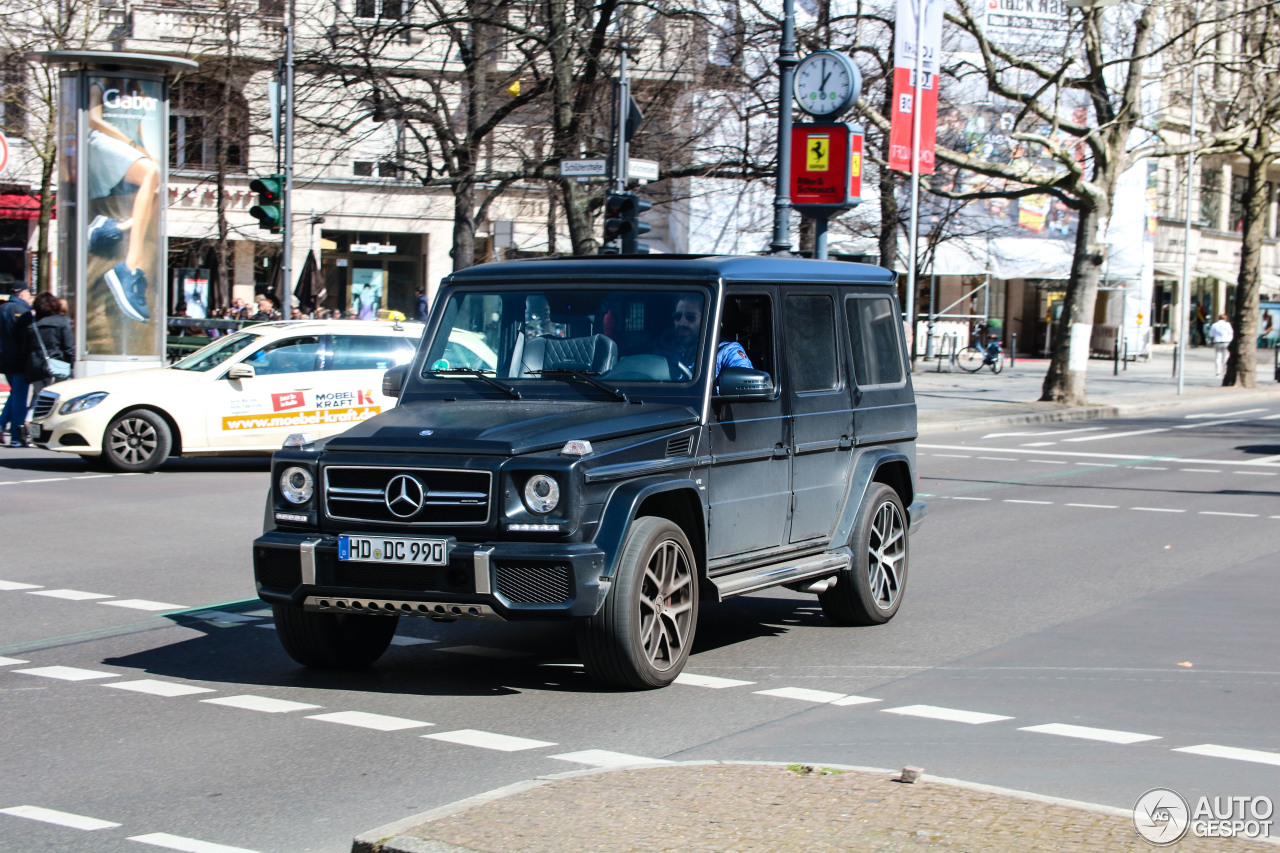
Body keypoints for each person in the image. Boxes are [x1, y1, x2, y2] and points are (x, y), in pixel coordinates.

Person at [654, 293, 751, 379]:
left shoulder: (727, 352)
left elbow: (745, 384)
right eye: (677, 316)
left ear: (707, 320)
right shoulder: (658, 351)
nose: (682, 322)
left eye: (690, 317)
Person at [23, 291, 76, 427]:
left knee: (38, 396)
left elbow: (26, 346)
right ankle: (50, 426)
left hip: (35, 365)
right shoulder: (62, 322)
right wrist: (71, 365)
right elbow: (69, 347)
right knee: (58, 397)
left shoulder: (33, 325)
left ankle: (29, 423)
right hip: (57, 364)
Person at [0, 284, 33, 446]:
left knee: (15, 395)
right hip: (20, 360)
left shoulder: (3, 308)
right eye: (28, 292)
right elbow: (27, 337)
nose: (30, 296)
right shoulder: (23, 311)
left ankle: (1, 425)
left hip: (5, 358)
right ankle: (15, 436)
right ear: (21, 293)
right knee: (20, 397)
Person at [1209, 312, 1234, 377]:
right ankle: (1225, 371)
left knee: (1218, 357)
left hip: (1217, 341)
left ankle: (1218, 372)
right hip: (1226, 341)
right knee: (1226, 357)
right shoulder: (1227, 324)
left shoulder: (1214, 325)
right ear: (1225, 318)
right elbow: (1231, 332)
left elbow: (1211, 334)